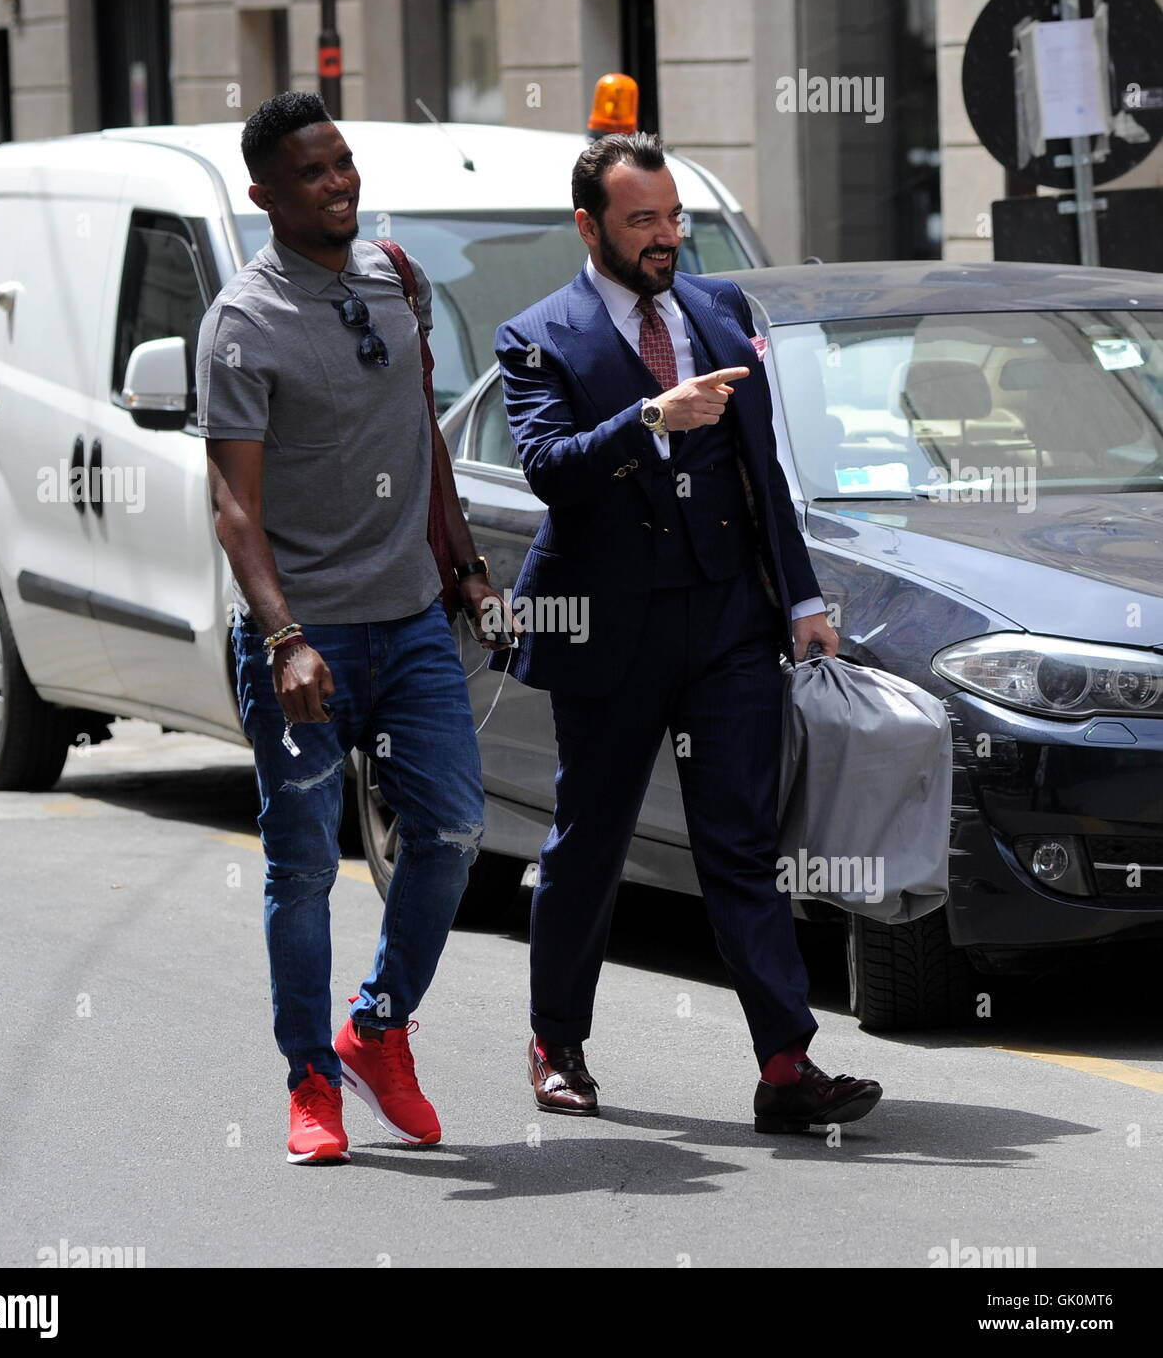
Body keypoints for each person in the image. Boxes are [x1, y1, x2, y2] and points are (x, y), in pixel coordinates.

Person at [491, 132, 882, 1134]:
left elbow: (761, 467)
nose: (665, 238)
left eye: (673, 219)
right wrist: (649, 420)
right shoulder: (537, 335)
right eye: (641, 222)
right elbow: (546, 467)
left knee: (740, 844)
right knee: (591, 839)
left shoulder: (719, 310)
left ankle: (784, 1064)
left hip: (725, 626)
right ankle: (556, 1041)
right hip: (607, 630)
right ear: (589, 228)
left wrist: (800, 601)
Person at [199, 92, 507, 1164]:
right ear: (265, 196)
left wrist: (466, 571)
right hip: (305, 637)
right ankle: (309, 1084)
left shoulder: (395, 282)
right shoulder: (242, 322)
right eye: (314, 172)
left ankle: (376, 1029)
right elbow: (234, 504)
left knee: (456, 832)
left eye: (343, 163)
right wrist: (283, 636)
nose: (340, 183)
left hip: (412, 616)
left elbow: (423, 440)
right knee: (304, 869)